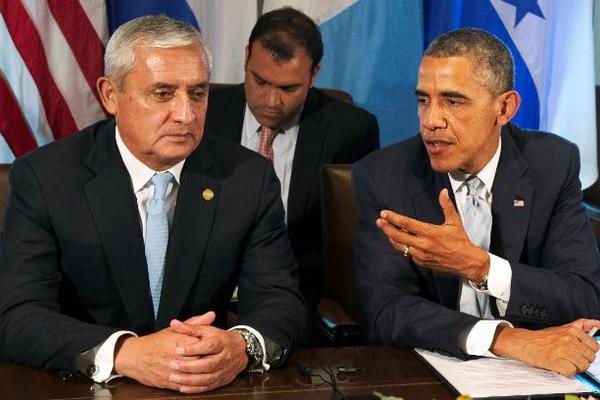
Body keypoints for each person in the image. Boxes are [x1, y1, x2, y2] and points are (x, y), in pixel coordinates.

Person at [0, 15, 304, 394]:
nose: (186, 114)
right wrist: (126, 352)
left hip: (202, 388)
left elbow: (281, 300)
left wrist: (240, 346)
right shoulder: (46, 178)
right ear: (111, 95)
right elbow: (17, 315)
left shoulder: (247, 179)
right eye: (163, 93)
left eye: (197, 93)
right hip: (82, 387)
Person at [353, 27, 600, 377]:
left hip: (537, 373)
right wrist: (507, 340)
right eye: (424, 100)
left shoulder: (552, 164)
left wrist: (481, 267)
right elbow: (388, 310)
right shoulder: (384, 176)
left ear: (505, 108)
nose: (431, 121)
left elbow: (583, 297)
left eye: (453, 101)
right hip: (429, 371)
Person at [205, 7, 379, 342]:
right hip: (206, 297)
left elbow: (351, 249)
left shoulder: (351, 131)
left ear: (313, 75)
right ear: (245, 59)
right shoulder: (205, 116)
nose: (270, 100)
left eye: (288, 88)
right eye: (260, 81)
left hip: (295, 302)